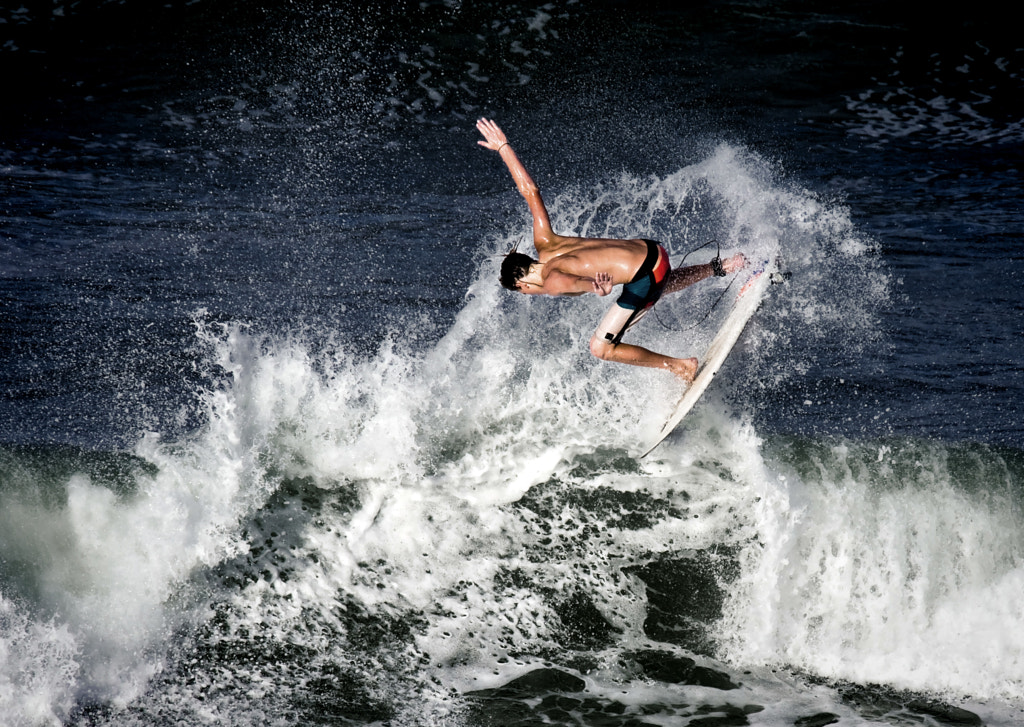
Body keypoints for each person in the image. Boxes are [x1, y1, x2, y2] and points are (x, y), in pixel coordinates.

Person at [476, 117, 746, 382]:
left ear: (521, 283)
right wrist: (503, 148)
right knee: (652, 287)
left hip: (646, 275)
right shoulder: (545, 243)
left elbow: (568, 281)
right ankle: (721, 266)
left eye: (524, 292)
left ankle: (680, 366)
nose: (529, 293)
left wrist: (595, 286)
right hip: (654, 252)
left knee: (600, 347)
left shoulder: (550, 281)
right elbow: (531, 191)